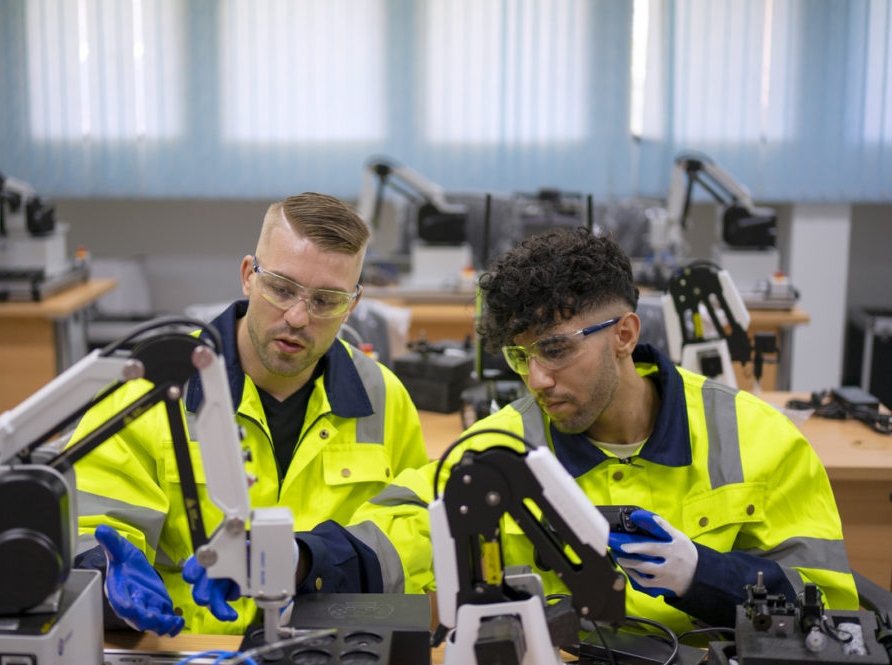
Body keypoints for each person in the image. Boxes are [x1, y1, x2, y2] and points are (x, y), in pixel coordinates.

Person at [287, 226, 858, 637]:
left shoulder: (760, 441)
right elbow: (402, 529)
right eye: (519, 356)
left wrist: (702, 576)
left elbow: (828, 611)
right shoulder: (501, 447)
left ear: (625, 334)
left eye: (556, 349)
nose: (536, 379)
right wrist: (300, 559)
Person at [68, 192, 429, 635]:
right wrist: (104, 578)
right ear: (247, 277)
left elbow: (415, 532)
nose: (298, 316)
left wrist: (307, 559)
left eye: (326, 300)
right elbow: (89, 519)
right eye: (281, 288)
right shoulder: (151, 387)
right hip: (189, 652)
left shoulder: (383, 398)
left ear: (352, 305)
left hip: (328, 650)